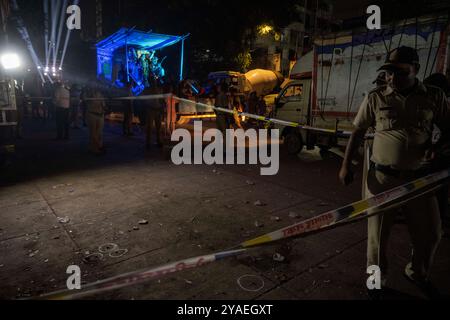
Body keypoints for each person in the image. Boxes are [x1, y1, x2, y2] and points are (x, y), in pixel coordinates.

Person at [339, 46, 449, 298]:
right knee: (377, 238)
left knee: (431, 233)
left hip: (419, 181)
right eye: (388, 72)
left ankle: (417, 272)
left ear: (416, 70)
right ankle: (377, 280)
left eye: (400, 72)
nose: (392, 78)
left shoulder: (434, 96)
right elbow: (357, 132)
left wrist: (438, 147)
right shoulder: (376, 97)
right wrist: (346, 166)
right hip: (382, 179)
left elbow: (448, 129)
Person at [424, 73, 450, 227]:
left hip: (440, 155)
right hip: (440, 153)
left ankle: (436, 220)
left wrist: (433, 147)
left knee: (436, 190)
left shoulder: (442, 104)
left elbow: (445, 130)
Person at [83, 85, 106, 155]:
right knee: (93, 133)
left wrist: (104, 109)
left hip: (100, 115)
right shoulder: (87, 94)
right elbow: (85, 101)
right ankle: (96, 148)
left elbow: (103, 104)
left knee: (98, 133)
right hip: (91, 114)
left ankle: (94, 147)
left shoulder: (100, 94)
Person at [141, 82, 164, 150]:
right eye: (152, 79)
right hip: (150, 109)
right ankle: (148, 143)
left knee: (158, 127)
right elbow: (141, 97)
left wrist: (162, 107)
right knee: (149, 127)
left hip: (157, 110)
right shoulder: (147, 89)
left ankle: (158, 141)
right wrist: (146, 104)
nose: (153, 81)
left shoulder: (159, 89)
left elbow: (161, 99)